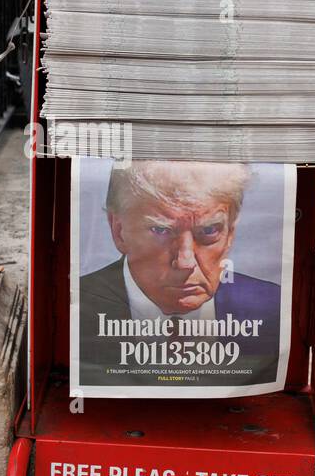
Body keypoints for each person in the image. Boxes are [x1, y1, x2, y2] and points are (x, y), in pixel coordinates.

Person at [77, 161, 280, 376]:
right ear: (119, 231)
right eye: (161, 230)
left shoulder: (273, 309)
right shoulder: (74, 307)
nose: (185, 262)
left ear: (230, 233)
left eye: (209, 230)